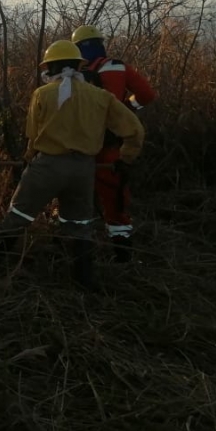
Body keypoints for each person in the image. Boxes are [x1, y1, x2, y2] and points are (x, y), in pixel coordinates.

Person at [0, 41, 145, 291]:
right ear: (79, 66)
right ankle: (84, 282)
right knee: (79, 226)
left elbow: (32, 133)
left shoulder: (42, 94)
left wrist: (28, 158)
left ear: (50, 67)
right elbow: (135, 130)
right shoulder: (100, 96)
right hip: (83, 170)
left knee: (18, 216)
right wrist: (124, 159)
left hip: (47, 167)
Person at [71, 24, 157, 262]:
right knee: (114, 200)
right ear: (101, 44)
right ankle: (123, 256)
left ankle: (75, 250)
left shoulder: (68, 71)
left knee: (73, 197)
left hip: (77, 147)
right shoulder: (118, 67)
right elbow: (147, 95)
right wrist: (127, 108)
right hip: (111, 148)